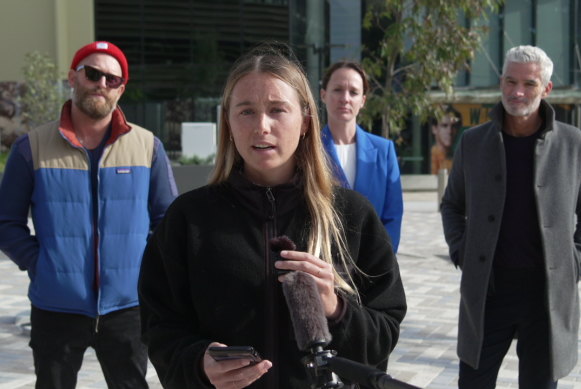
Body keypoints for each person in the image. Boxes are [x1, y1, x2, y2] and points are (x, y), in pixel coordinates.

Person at [138, 44, 407, 389]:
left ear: (306, 121)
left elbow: (383, 335)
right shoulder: (188, 220)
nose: (261, 126)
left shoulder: (353, 216)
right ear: (228, 122)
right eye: (246, 111)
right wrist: (197, 363)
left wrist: (336, 308)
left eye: (277, 109)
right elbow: (159, 328)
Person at [0, 41, 178, 388]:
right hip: (56, 308)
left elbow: (169, 222)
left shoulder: (147, 147)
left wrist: (144, 271)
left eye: (113, 79)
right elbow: (6, 223)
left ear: (121, 89)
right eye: (93, 74)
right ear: (73, 77)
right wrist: (42, 265)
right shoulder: (31, 147)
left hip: (128, 308)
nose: (102, 84)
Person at [441, 45, 581, 388]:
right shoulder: (473, 142)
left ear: (547, 89)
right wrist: (461, 251)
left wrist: (576, 261)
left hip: (546, 296)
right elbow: (452, 205)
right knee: (473, 382)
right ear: (501, 81)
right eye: (510, 81)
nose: (517, 92)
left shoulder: (574, 144)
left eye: (529, 84)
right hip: (488, 292)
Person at [320, 61, 403, 252]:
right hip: (323, 264)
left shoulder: (384, 150)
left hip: (373, 264)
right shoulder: (308, 148)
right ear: (323, 94)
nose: (345, 98)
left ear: (363, 100)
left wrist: (382, 262)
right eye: (338, 90)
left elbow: (393, 215)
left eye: (353, 92)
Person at [430, 106, 461, 174]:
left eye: (453, 126)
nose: (450, 131)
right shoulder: (430, 158)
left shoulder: (458, 158)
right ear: (434, 129)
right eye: (444, 125)